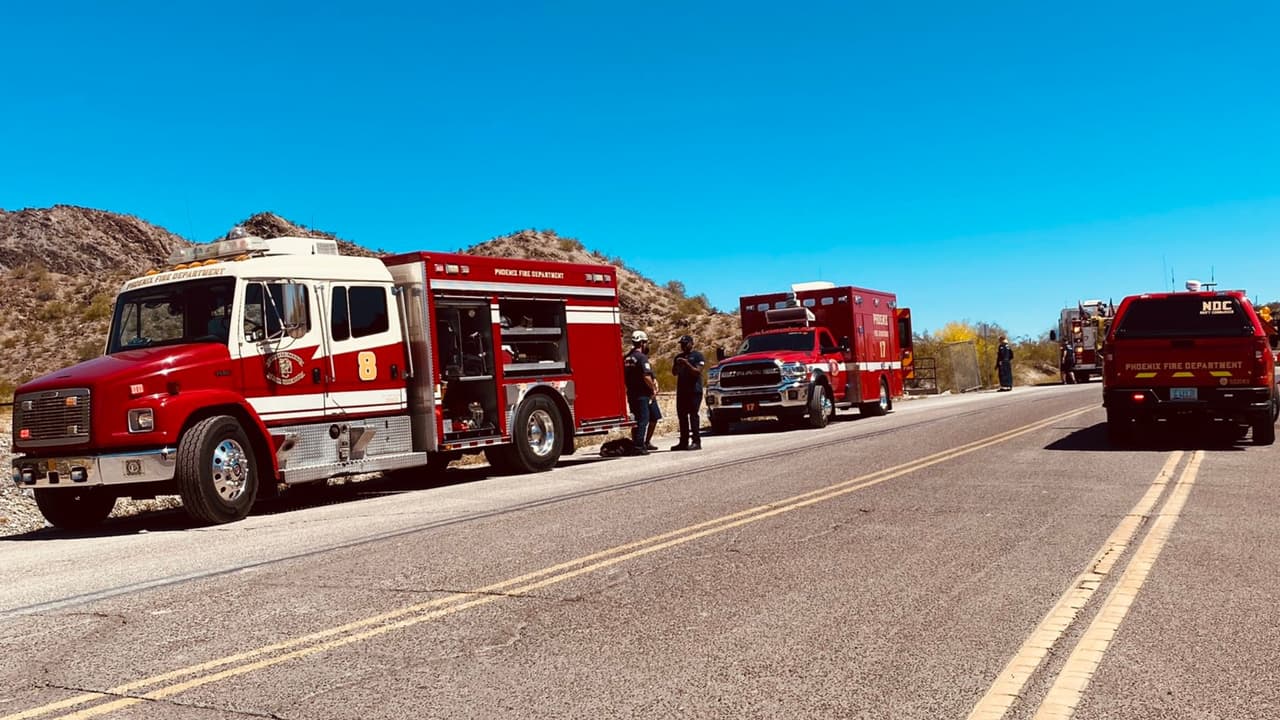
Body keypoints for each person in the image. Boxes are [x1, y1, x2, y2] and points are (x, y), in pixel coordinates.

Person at [623, 330, 661, 454]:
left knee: (652, 417)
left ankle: (645, 442)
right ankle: (638, 446)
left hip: (632, 394)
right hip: (644, 394)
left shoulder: (627, 358)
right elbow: (646, 376)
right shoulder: (641, 357)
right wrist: (653, 388)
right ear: (642, 343)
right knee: (643, 419)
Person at [670, 334, 706, 450]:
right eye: (682, 344)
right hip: (682, 391)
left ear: (691, 343)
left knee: (693, 415)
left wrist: (687, 363)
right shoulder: (678, 357)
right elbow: (674, 373)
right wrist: (677, 365)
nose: (683, 346)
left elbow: (697, 372)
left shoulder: (697, 356)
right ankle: (683, 441)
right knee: (682, 416)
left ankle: (696, 441)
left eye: (685, 344)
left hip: (694, 391)